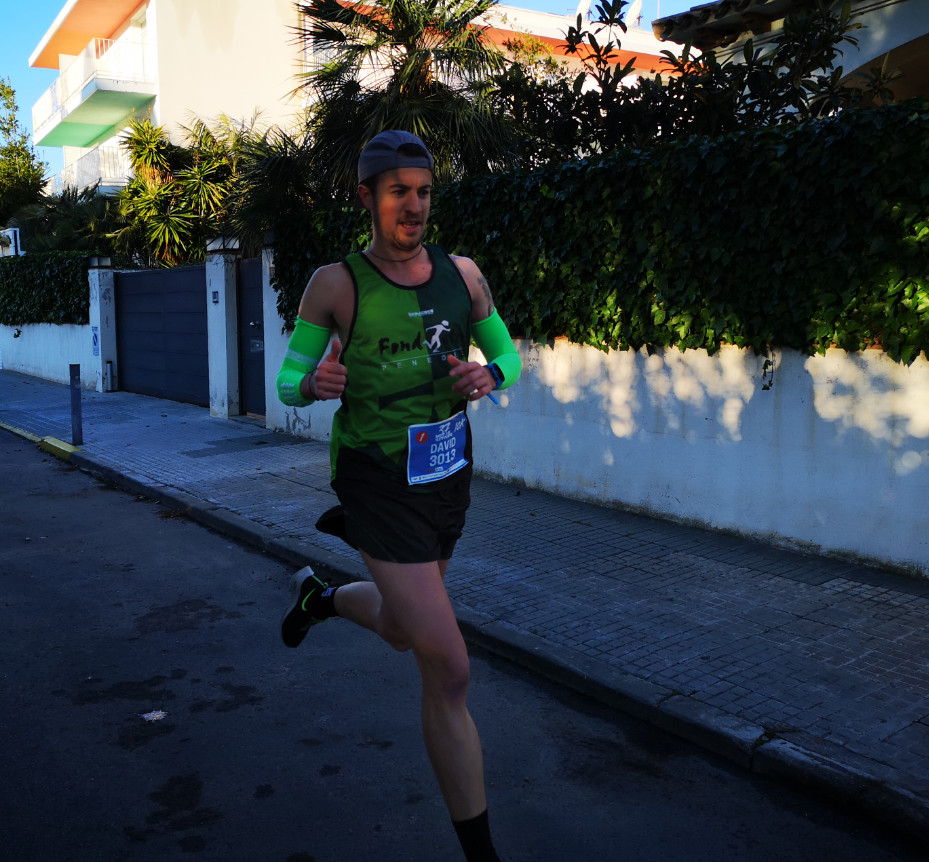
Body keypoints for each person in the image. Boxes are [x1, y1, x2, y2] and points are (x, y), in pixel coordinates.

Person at [275, 130, 521, 862]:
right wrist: (314, 383)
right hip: (375, 478)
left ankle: (320, 599)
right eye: (397, 193)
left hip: (446, 474)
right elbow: (287, 382)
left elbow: (508, 354)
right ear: (366, 198)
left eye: (423, 192)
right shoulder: (336, 284)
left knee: (399, 629)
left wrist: (489, 375)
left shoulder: (463, 275)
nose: (414, 207)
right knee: (449, 667)